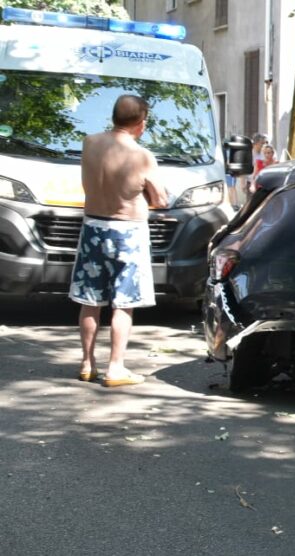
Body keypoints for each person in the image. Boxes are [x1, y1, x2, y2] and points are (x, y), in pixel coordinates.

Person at [69, 95, 166, 387]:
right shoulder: (142, 156)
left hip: (93, 227)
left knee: (90, 300)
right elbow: (160, 200)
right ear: (141, 122)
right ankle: (115, 368)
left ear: (114, 116)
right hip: (128, 231)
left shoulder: (89, 143)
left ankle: (87, 364)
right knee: (123, 303)